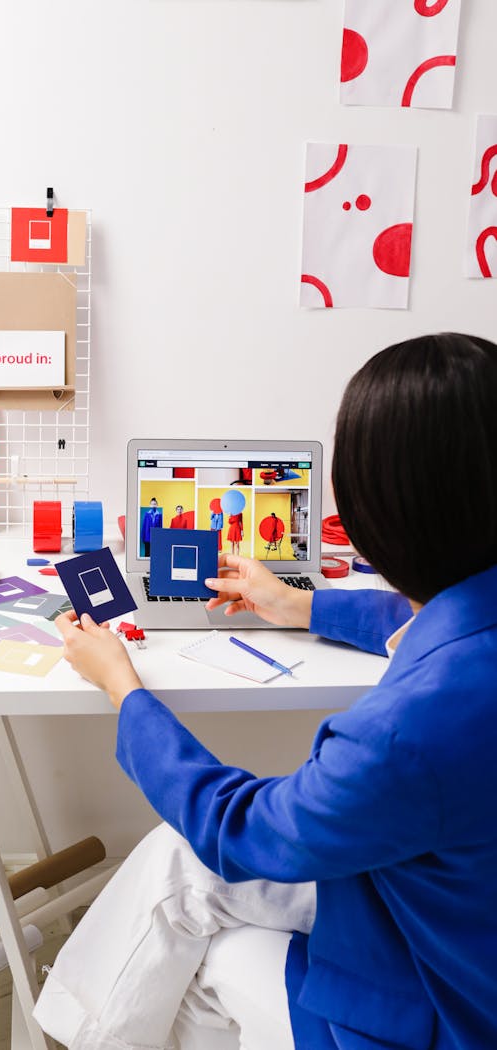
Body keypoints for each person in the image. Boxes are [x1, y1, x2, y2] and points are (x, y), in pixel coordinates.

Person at [33, 333, 497, 1050]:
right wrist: (300, 605)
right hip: (462, 920)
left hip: (445, 1013)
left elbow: (239, 829)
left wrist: (123, 689)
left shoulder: (407, 736)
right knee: (174, 864)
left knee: (189, 957)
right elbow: (436, 617)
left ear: (385, 510)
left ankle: (77, 1036)